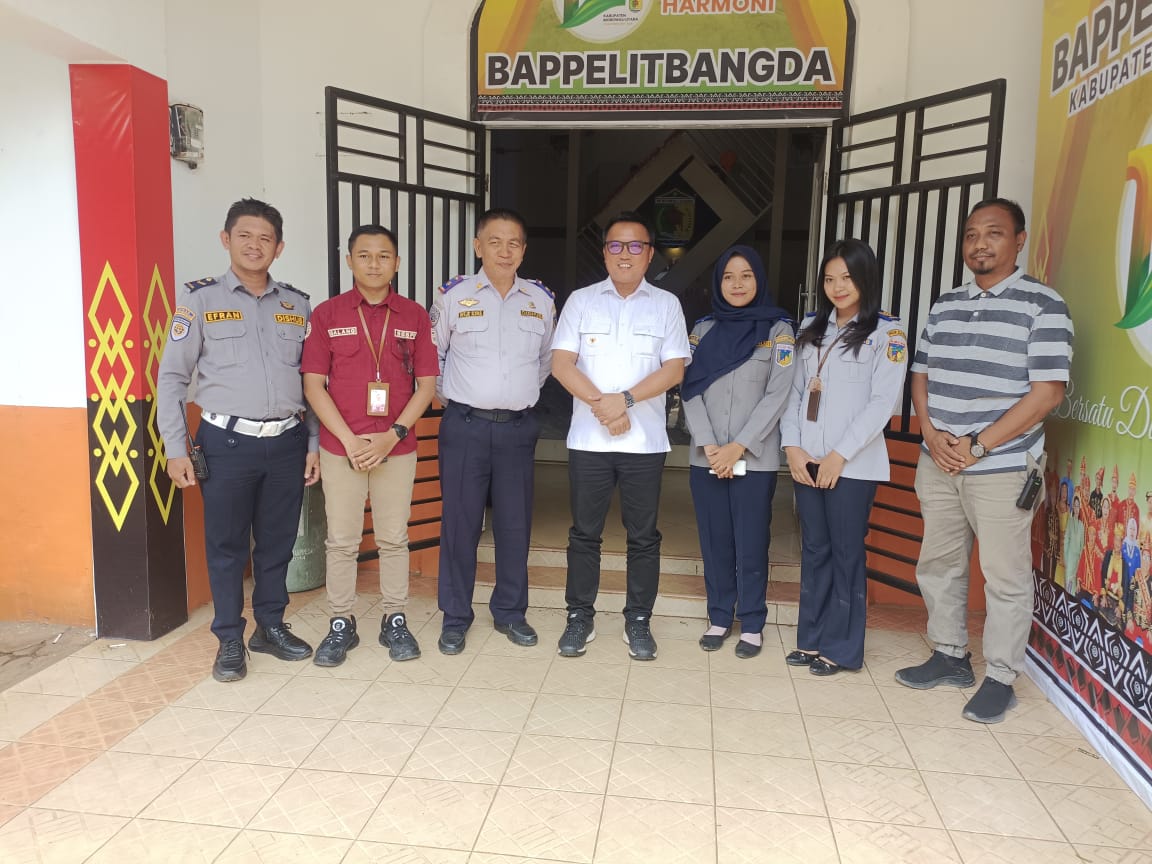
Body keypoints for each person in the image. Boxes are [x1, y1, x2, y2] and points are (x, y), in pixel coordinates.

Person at [895, 199, 1073, 724]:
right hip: (938, 459)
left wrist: (977, 445)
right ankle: (950, 655)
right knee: (939, 564)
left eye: (993, 233)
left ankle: (1000, 676)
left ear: (1019, 240)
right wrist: (931, 434)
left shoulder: (1044, 305)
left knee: (1005, 575)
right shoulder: (945, 304)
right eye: (971, 234)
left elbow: (1047, 393)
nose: (979, 244)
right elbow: (921, 374)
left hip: (1002, 466)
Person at [158, 198, 320, 683]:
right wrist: (175, 448)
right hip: (226, 444)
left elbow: (312, 382)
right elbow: (172, 378)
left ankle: (270, 626)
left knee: (277, 543)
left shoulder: (297, 304)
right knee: (227, 546)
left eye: (265, 238)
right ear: (226, 239)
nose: (255, 245)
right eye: (245, 235)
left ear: (279, 247)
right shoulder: (200, 300)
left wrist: (312, 443)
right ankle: (229, 637)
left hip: (287, 442)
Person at [551, 212, 691, 660]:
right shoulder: (581, 301)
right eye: (615, 245)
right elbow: (561, 364)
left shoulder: (666, 305)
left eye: (635, 246)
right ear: (604, 252)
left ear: (650, 254)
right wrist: (604, 406)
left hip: (644, 443)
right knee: (584, 534)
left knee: (643, 536)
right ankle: (579, 616)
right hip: (589, 441)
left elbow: (674, 369)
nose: (624, 254)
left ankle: (639, 620)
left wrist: (624, 401)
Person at [301, 225, 438, 665]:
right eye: (364, 255)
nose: (374, 264)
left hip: (395, 447)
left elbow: (426, 385)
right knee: (341, 540)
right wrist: (348, 440)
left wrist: (391, 435)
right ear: (349, 261)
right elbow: (313, 384)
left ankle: (394, 618)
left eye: (383, 256)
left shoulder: (414, 316)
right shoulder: (327, 314)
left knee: (394, 538)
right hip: (341, 448)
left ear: (396, 263)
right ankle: (341, 621)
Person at [781, 239, 908, 675]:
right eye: (830, 279)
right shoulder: (811, 326)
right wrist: (792, 446)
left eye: (847, 278)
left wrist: (839, 456)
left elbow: (882, 404)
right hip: (807, 458)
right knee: (815, 548)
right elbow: (794, 392)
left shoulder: (886, 333)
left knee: (846, 551)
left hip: (852, 466)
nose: (838, 287)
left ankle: (842, 648)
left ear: (866, 279)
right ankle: (811, 639)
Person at [432, 209, 556, 655]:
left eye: (514, 243)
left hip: (517, 430)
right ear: (478, 246)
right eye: (495, 241)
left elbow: (546, 361)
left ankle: (510, 611)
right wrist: (459, 399)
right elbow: (433, 357)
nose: (505, 251)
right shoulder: (454, 296)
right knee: (460, 524)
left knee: (514, 524)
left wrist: (512, 397)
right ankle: (455, 616)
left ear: (523, 250)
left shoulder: (540, 300)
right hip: (464, 426)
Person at [681, 246, 795, 658]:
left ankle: (751, 621)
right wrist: (711, 445)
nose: (737, 284)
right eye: (729, 276)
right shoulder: (702, 330)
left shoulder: (779, 331)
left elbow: (778, 395)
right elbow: (688, 388)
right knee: (715, 540)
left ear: (758, 280)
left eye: (746, 275)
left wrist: (738, 446)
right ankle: (718, 616)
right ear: (718, 282)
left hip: (754, 457)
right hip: (707, 456)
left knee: (750, 540)